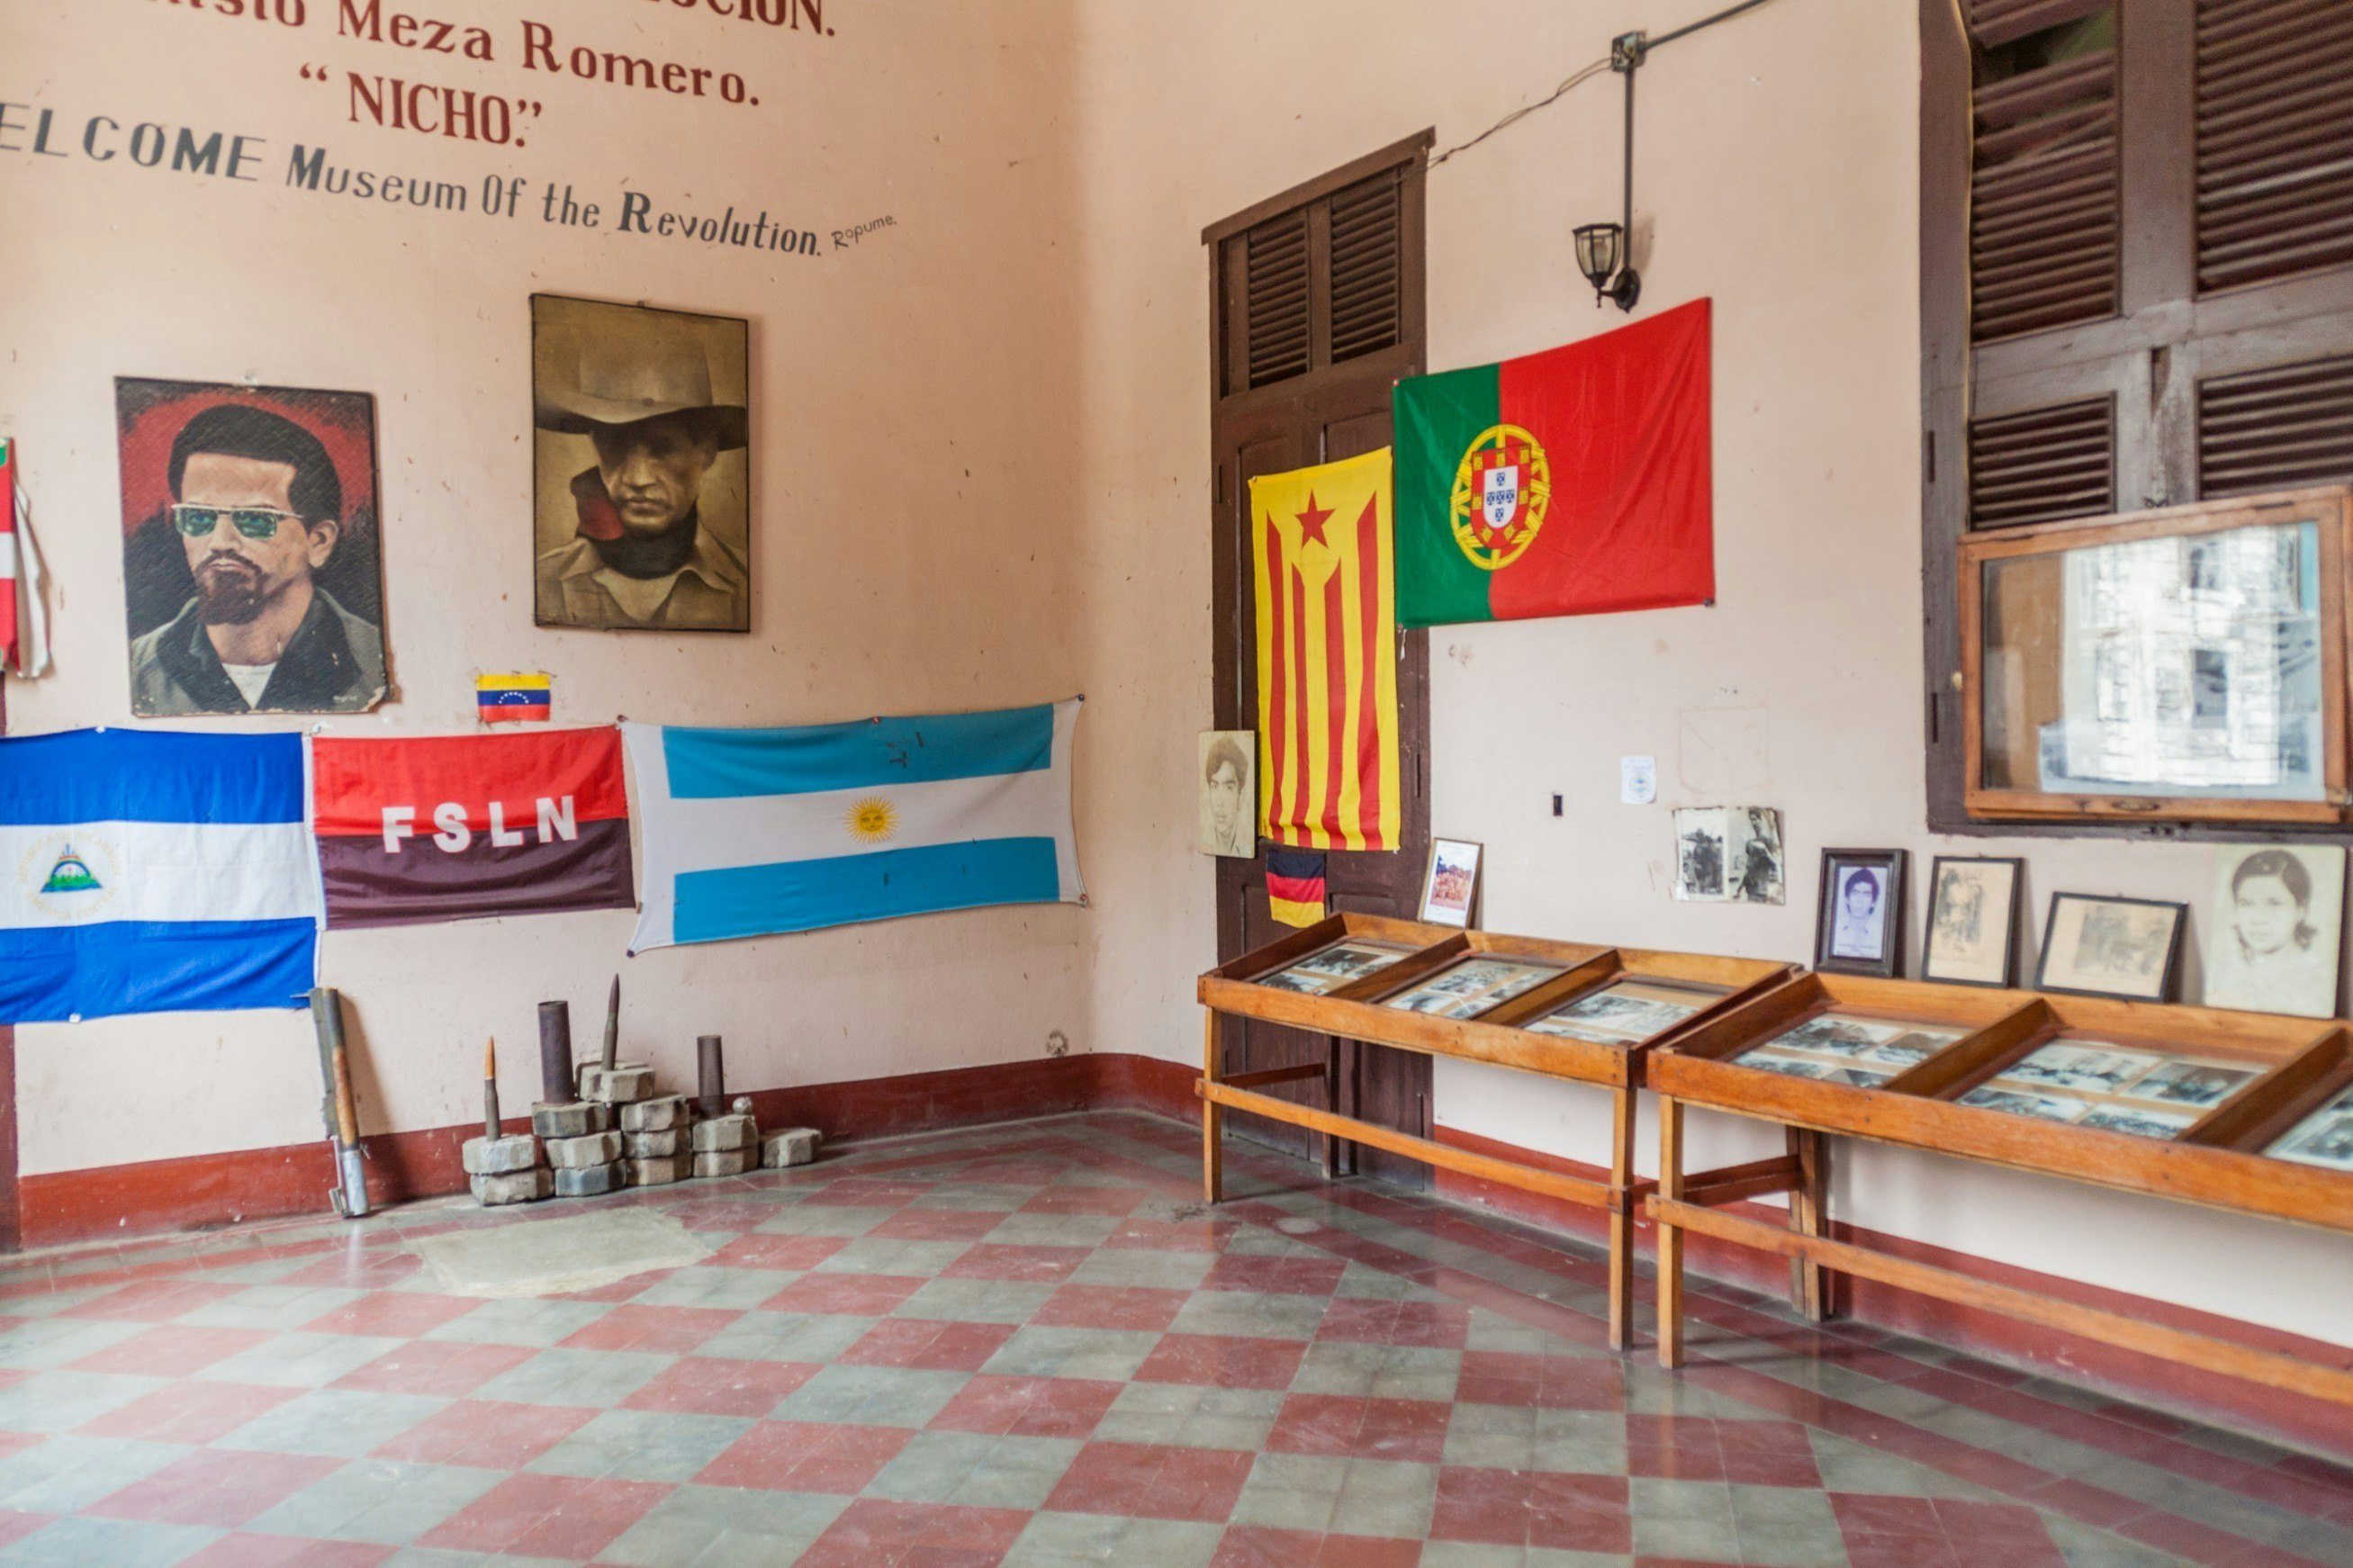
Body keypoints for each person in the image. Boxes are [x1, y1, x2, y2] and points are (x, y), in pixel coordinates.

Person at [128, 405, 384, 716]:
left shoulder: (374, 663)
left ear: (318, 542)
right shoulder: (136, 670)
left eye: (256, 520)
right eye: (198, 517)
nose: (221, 542)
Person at [534, 314, 750, 632]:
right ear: (595, 445)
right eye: (615, 447)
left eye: (663, 450)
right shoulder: (542, 581)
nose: (637, 480)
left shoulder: (747, 586)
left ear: (706, 451)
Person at [2206, 849, 2336, 1015]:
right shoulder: (2223, 972)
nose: (2258, 918)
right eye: (2247, 904)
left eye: (2274, 903)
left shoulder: (2319, 980)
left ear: (2301, 910)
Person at [1200, 734, 1252, 856]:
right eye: (1214, 786)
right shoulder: (1206, 845)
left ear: (1241, 796)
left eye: (1228, 788)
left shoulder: (1246, 848)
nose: (1220, 802)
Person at [1829, 868, 1885, 960]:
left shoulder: (1881, 933)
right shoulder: (1835, 930)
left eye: (1866, 895)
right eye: (1855, 893)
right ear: (1847, 899)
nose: (1860, 900)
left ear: (1873, 902)